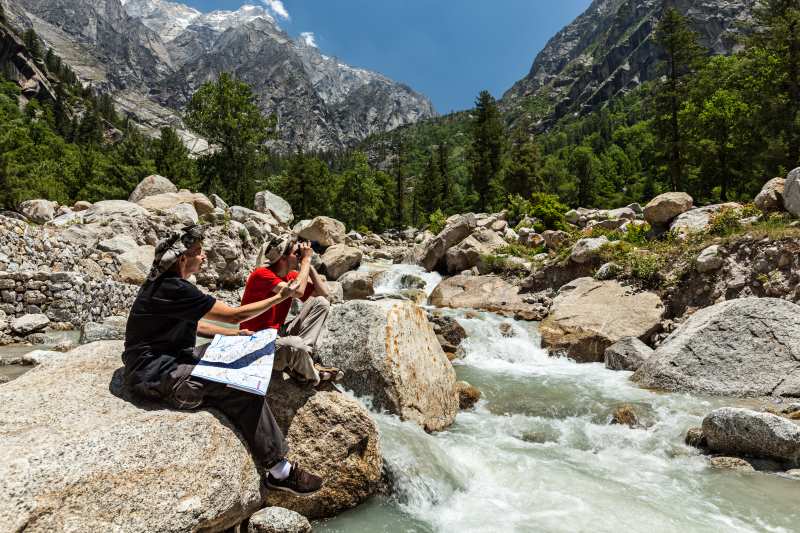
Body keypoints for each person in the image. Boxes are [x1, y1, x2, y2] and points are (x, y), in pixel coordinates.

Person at [122, 224, 322, 496]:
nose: (203, 257)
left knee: (238, 349)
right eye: (199, 252)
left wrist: (234, 334)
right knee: (243, 388)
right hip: (159, 375)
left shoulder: (163, 285)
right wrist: (278, 297)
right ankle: (279, 470)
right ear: (183, 259)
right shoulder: (174, 288)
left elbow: (199, 326)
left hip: (167, 361)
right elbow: (233, 315)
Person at [240, 235, 338, 385]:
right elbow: (297, 292)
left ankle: (304, 358)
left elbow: (325, 295)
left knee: (321, 303)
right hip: (257, 341)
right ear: (282, 258)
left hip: (278, 334)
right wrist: (305, 261)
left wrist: (309, 267)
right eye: (295, 253)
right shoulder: (262, 274)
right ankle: (315, 375)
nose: (299, 256)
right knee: (294, 344)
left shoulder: (290, 276)